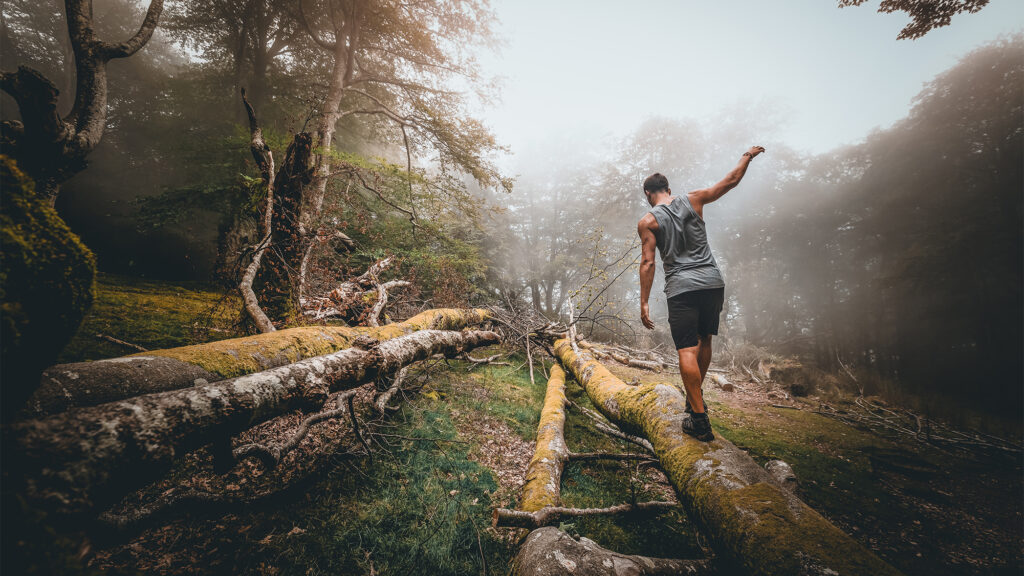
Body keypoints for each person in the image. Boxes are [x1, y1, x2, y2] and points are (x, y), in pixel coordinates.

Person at [637, 146, 765, 440]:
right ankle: (696, 400)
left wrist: (644, 302)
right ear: (669, 189)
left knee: (686, 349)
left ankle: (698, 418)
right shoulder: (693, 199)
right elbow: (730, 182)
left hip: (682, 288)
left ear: (648, 194)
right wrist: (747, 155)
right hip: (711, 283)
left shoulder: (648, 221)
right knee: (704, 340)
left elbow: (648, 262)